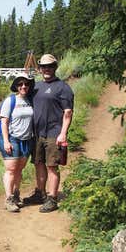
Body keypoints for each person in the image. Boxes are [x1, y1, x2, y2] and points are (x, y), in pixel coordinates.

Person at [22, 54, 74, 213]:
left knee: (52, 166)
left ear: (55, 67)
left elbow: (68, 112)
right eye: (44, 66)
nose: (46, 69)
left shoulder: (63, 87)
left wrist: (63, 133)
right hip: (37, 134)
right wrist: (1, 109)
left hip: (54, 133)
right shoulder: (36, 87)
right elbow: (21, 97)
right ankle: (40, 193)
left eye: (50, 66)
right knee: (38, 163)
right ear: (40, 68)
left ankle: (52, 198)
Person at [0, 73, 35, 212]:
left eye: (26, 84)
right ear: (16, 86)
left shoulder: (30, 100)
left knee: (19, 169)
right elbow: (4, 121)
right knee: (11, 170)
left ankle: (16, 195)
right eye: (20, 84)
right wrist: (6, 141)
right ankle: (9, 199)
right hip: (12, 139)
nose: (23, 86)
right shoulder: (10, 100)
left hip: (27, 139)